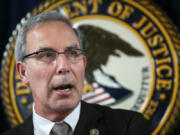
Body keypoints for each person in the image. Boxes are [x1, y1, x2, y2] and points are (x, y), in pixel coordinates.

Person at [1, 11, 150, 135]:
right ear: (23, 72)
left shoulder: (127, 128)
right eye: (47, 55)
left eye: (73, 53)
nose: (64, 66)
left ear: (84, 64)